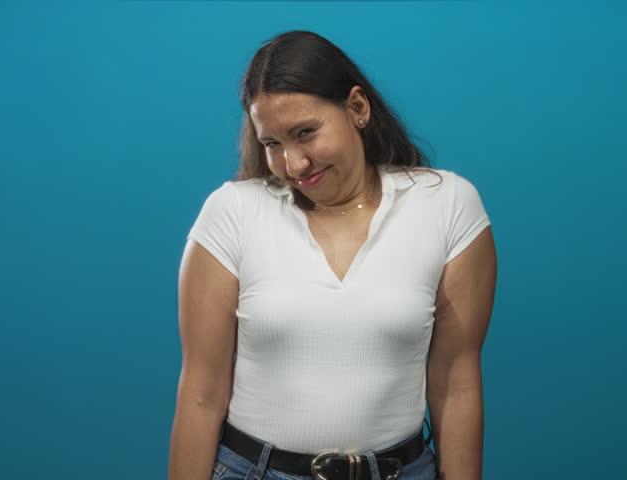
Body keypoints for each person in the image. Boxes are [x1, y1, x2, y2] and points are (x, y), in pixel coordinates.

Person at [169, 30, 497, 480]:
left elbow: (456, 384)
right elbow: (201, 393)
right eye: (272, 144)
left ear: (357, 108)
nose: (294, 163)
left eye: (306, 133)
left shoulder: (448, 206)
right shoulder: (232, 213)